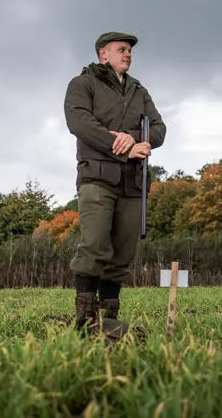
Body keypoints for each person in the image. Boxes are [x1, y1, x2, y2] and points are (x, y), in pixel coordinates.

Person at [63, 31, 167, 333]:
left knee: (122, 254)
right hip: (97, 177)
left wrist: (133, 139)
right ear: (102, 54)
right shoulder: (83, 85)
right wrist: (119, 144)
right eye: (121, 49)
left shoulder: (139, 90)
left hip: (133, 183)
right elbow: (80, 123)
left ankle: (107, 321)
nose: (128, 54)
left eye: (130, 50)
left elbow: (158, 129)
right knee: (94, 246)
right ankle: (84, 320)